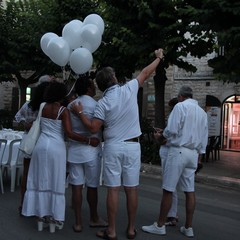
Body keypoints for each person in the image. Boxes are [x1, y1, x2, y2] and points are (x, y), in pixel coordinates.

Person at [71, 48, 164, 240]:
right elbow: (146, 72)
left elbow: (93, 127)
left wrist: (79, 112)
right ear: (113, 78)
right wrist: (158, 58)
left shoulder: (102, 103)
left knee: (113, 189)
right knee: (131, 188)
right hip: (132, 146)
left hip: (113, 146)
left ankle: (111, 230)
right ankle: (130, 229)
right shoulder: (129, 89)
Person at [21, 81, 100, 233]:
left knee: (39, 180)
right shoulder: (63, 111)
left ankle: (39, 217)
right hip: (56, 148)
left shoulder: (43, 106)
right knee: (54, 181)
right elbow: (69, 133)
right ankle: (52, 218)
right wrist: (89, 140)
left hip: (40, 146)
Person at [142, 86, 208, 237]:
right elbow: (203, 140)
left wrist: (160, 137)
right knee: (189, 190)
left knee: (168, 189)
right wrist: (199, 157)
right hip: (192, 153)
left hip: (178, 151)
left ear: (180, 97)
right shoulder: (202, 113)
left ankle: (160, 225)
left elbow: (172, 130)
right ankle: (188, 227)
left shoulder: (180, 107)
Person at [67, 77, 107, 232]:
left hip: (75, 149)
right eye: (93, 85)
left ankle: (78, 222)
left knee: (76, 186)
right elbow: (97, 128)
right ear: (89, 88)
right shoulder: (97, 106)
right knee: (92, 186)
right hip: (92, 150)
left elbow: (67, 131)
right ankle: (93, 217)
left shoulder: (71, 105)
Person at [15, 75, 53, 215]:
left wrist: (26, 123)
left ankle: (23, 204)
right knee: (42, 175)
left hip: (29, 142)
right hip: (42, 142)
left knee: (26, 174)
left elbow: (17, 119)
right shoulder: (49, 108)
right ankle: (39, 206)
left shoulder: (28, 105)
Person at [153, 97, 179, 227]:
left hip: (169, 151)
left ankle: (171, 215)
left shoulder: (175, 116)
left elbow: (170, 137)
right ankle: (173, 213)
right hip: (176, 152)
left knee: (169, 186)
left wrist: (159, 136)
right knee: (173, 186)